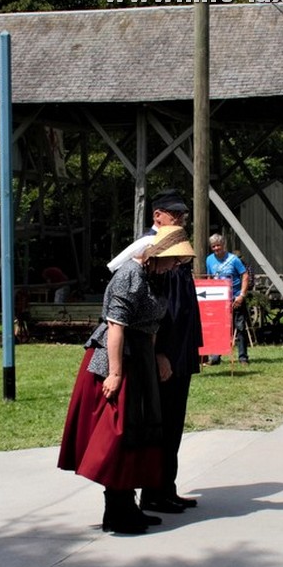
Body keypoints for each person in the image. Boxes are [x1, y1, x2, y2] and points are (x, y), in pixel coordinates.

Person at [58, 225, 195, 534]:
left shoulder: (157, 277)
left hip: (141, 358)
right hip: (118, 359)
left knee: (139, 430)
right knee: (118, 433)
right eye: (175, 259)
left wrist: (157, 356)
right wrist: (116, 373)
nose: (178, 265)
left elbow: (153, 325)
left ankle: (126, 505)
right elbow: (116, 326)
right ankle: (117, 510)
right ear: (158, 254)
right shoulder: (129, 276)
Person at [138, 189, 203, 515]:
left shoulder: (177, 248)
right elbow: (154, 310)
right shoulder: (152, 249)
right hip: (165, 356)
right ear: (157, 216)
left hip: (182, 354)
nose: (180, 220)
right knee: (159, 425)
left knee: (174, 425)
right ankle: (153, 492)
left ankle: (167, 487)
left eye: (183, 215)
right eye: (174, 215)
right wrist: (160, 353)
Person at [205, 233, 250, 365]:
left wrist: (242, 295)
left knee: (240, 328)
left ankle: (243, 357)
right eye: (213, 246)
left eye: (218, 245)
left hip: (235, 298)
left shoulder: (234, 259)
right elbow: (209, 277)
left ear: (223, 245)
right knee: (219, 328)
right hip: (218, 300)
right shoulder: (209, 260)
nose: (216, 248)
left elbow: (245, 275)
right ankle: (215, 357)